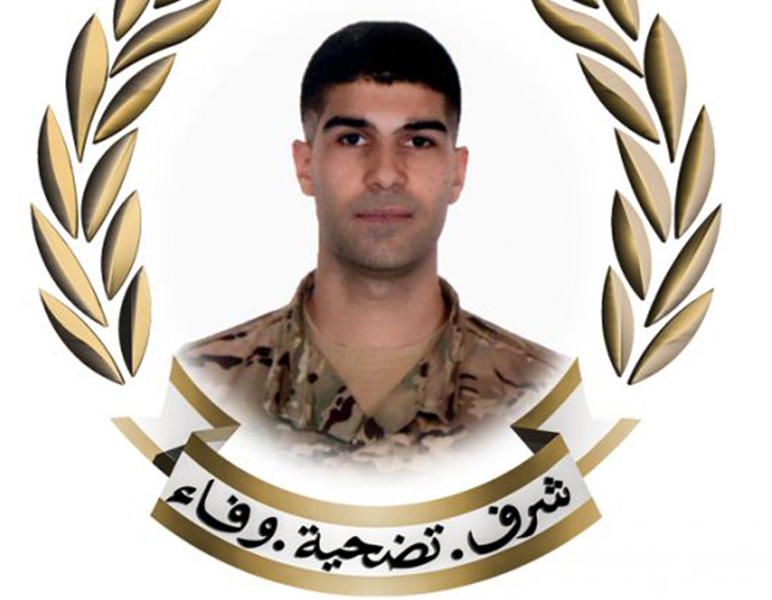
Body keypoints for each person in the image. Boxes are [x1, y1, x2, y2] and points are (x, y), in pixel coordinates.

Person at [175, 21, 569, 469]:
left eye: (418, 141)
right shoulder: (199, 394)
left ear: (457, 173)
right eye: (353, 139)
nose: (385, 174)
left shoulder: (547, 402)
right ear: (305, 165)